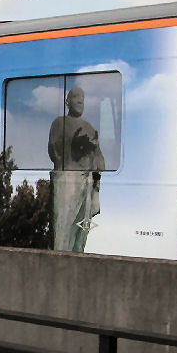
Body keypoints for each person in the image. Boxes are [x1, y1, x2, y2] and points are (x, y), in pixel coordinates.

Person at [48, 86, 104, 252]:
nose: (80, 101)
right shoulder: (59, 123)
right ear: (67, 102)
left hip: (87, 182)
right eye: (76, 97)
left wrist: (96, 181)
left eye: (82, 98)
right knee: (63, 229)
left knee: (81, 233)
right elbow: (54, 151)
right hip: (67, 181)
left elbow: (99, 159)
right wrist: (74, 147)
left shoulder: (89, 127)